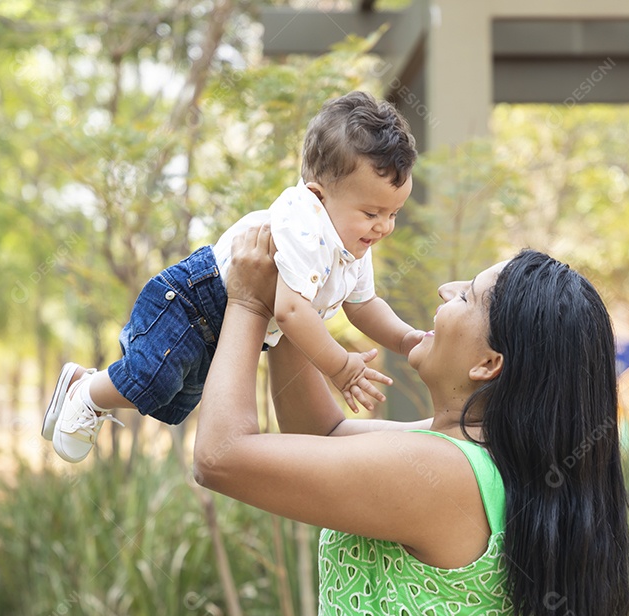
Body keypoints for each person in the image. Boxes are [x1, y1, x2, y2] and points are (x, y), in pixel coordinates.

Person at [193, 226, 629, 616]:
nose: (445, 291)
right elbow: (324, 434)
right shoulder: (489, 460)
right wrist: (293, 295)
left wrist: (247, 303)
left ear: (489, 363)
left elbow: (220, 457)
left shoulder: (440, 471)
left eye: (466, 296)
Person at [42, 91, 423, 462]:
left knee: (172, 399)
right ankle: (85, 390)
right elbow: (290, 311)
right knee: (152, 379)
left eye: (393, 213)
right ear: (318, 197)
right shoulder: (305, 223)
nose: (384, 227)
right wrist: (340, 367)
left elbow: (364, 305)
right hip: (193, 299)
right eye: (371, 213)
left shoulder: (351, 243)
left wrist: (405, 339)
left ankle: (87, 385)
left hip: (226, 323)